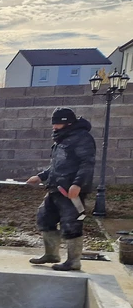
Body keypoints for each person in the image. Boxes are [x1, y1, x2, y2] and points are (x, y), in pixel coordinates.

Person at [25, 107, 96, 272]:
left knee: (71, 224)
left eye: (57, 124)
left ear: (68, 123)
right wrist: (41, 176)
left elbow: (87, 163)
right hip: (56, 188)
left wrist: (77, 184)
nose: (54, 127)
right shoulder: (62, 139)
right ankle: (51, 254)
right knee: (44, 217)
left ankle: (73, 261)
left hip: (71, 191)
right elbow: (57, 166)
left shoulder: (82, 138)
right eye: (53, 124)